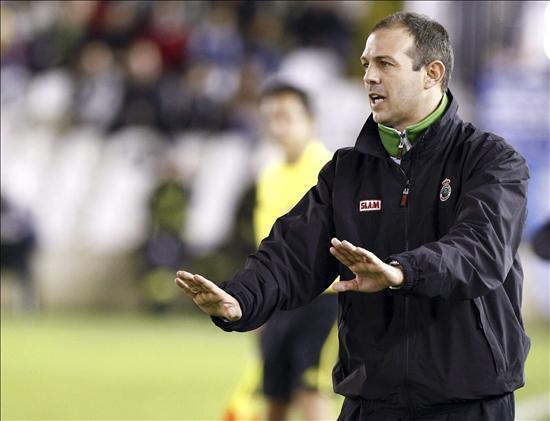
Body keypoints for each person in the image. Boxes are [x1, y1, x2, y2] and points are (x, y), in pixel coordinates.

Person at [175, 11, 530, 421]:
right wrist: (241, 297)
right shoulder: (348, 171)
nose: (369, 77)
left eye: (385, 64)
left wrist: (403, 272)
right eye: (366, 64)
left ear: (432, 73)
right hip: (372, 401)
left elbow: (481, 249)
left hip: (469, 401)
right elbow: (292, 251)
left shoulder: (491, 159)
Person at [222, 82, 338, 421]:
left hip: (323, 300)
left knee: (310, 390)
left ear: (310, 120)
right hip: (279, 302)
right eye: (271, 118)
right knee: (273, 396)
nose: (278, 126)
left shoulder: (330, 170)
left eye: (287, 117)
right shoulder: (269, 176)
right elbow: (265, 245)